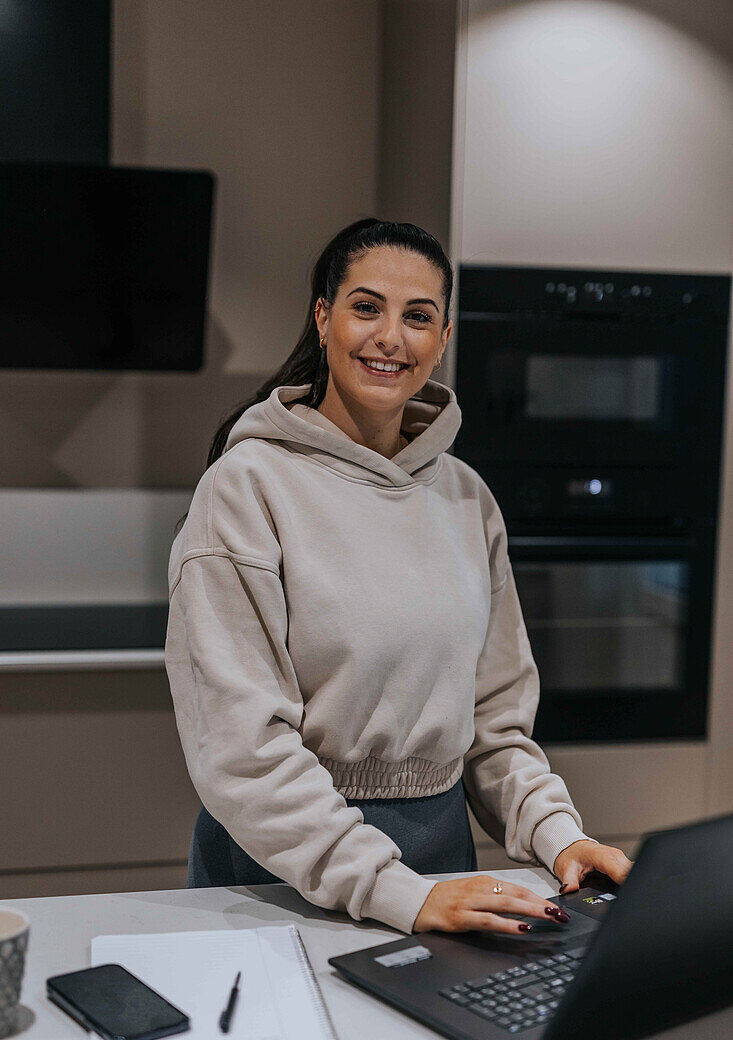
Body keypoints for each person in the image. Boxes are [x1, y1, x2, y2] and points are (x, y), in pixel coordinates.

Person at [165, 218, 633, 937]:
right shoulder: (246, 487)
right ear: (323, 319)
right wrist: (392, 890)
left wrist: (556, 834)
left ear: (442, 339)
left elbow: (492, 723)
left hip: (440, 867)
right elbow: (242, 749)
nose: (390, 336)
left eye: (417, 317)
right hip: (280, 872)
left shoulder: (465, 498)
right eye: (365, 307)